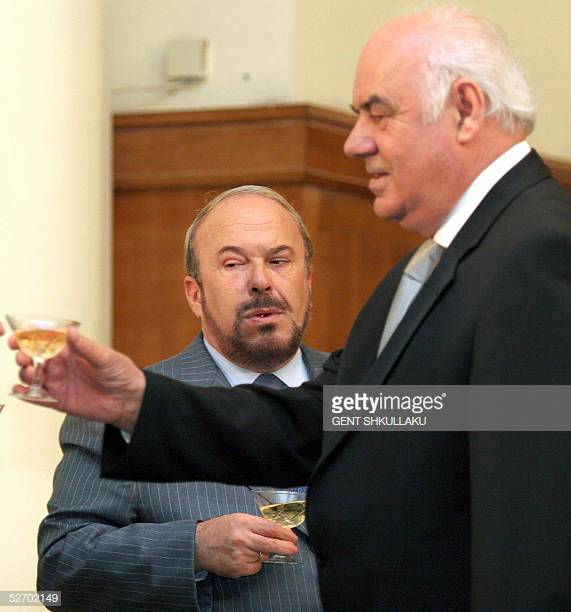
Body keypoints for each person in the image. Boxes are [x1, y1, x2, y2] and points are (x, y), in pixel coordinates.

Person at [12, 6, 571, 611]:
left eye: (378, 113)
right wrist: (139, 405)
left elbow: (535, 505)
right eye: (232, 264)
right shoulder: (443, 264)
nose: (355, 141)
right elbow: (357, 419)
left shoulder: (536, 252)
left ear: (464, 109)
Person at [36, 186, 327, 611]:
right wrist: (193, 547)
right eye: (233, 264)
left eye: (279, 261)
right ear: (195, 294)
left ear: (308, 281)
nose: (262, 281)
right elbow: (59, 572)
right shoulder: (123, 406)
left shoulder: (370, 389)